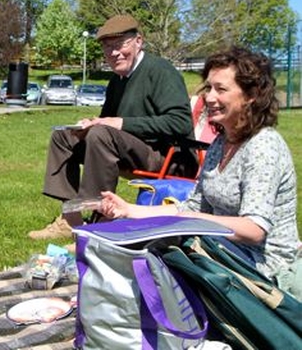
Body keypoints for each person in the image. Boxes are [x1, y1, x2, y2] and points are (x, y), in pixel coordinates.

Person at [98, 46, 298, 281]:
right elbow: (191, 208)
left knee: (158, 265)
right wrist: (129, 210)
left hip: (264, 268)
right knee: (141, 257)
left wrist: (192, 223)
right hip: (221, 251)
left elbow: (253, 230)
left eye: (221, 89)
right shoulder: (221, 143)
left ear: (250, 96)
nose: (209, 97)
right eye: (209, 88)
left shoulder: (263, 146)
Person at [29, 14, 194, 240]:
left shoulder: (161, 71)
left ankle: (102, 224)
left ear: (139, 41)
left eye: (120, 45)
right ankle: (71, 219)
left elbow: (180, 122)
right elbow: (107, 121)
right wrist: (90, 124)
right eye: (108, 48)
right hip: (125, 147)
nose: (114, 53)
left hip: (167, 156)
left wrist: (118, 123)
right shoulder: (117, 79)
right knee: (63, 136)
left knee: (101, 134)